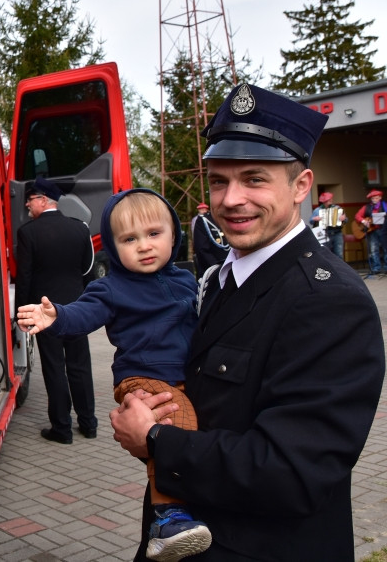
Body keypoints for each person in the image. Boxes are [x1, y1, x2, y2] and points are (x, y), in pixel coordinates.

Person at [110, 82, 385, 561]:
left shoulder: (328, 299)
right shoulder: (222, 279)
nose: (231, 199)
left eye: (255, 179)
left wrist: (155, 440)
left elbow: (293, 472)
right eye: (219, 180)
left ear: (301, 186)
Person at [18, 189, 211, 561]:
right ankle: (166, 519)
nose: (143, 246)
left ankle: (183, 505)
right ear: (112, 245)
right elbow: (84, 313)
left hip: (182, 377)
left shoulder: (187, 281)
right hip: (143, 379)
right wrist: (56, 316)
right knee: (176, 428)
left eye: (154, 234)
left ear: (175, 234)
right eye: (129, 239)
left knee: (187, 433)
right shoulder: (112, 287)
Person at [14, 176, 97, 444]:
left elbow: (24, 277)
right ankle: (89, 423)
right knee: (80, 366)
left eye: (30, 200)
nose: (27, 205)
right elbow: (88, 271)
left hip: (44, 311)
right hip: (76, 309)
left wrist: (22, 314)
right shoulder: (80, 229)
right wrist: (86, 304)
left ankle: (62, 428)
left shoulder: (28, 233)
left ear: (42, 200)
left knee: (54, 368)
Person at [190, 202, 229, 275]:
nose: (203, 210)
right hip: (214, 269)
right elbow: (201, 248)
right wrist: (218, 269)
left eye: (204, 208)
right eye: (201, 209)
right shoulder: (202, 220)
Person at [355, 189, 387, 278]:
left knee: (386, 249)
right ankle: (376, 268)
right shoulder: (367, 207)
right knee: (373, 250)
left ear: (380, 198)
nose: (374, 200)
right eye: (373, 198)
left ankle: (386, 268)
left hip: (383, 230)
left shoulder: (385, 205)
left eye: (376, 198)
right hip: (372, 231)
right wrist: (363, 221)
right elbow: (357, 216)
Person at [309, 191, 347, 259]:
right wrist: (315, 219)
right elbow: (311, 221)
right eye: (327, 200)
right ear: (323, 202)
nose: (329, 201)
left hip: (337, 233)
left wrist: (343, 218)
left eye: (329, 200)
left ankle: (339, 269)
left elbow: (346, 220)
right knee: (326, 254)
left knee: (339, 254)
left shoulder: (338, 208)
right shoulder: (317, 210)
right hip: (324, 233)